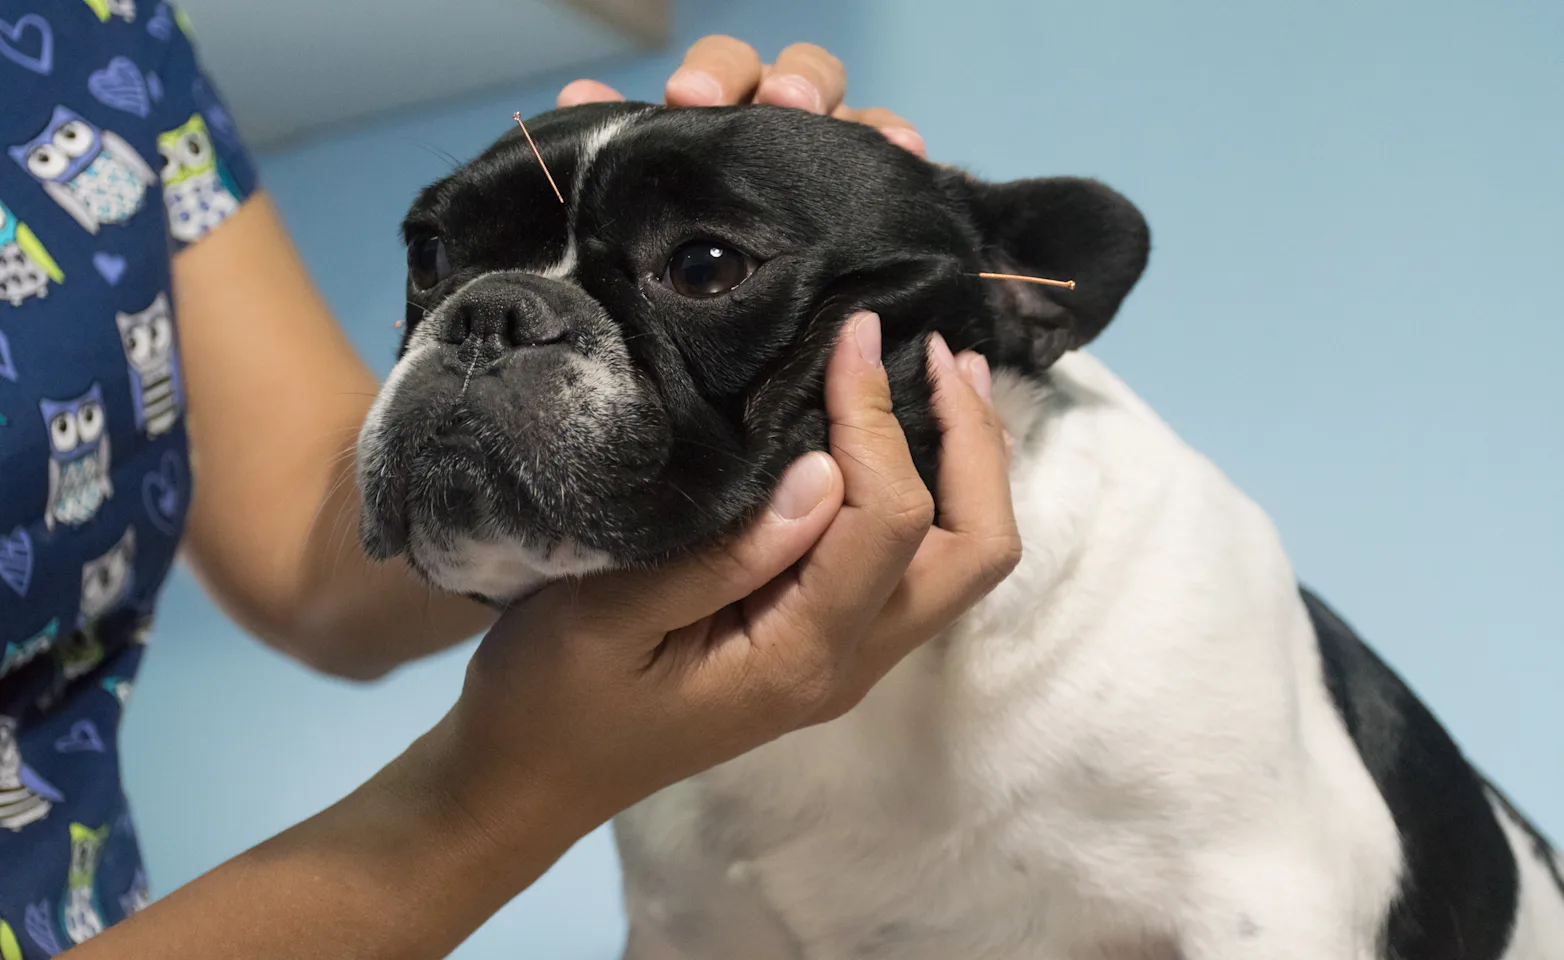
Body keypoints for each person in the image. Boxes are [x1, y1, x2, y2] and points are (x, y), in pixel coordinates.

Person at [0, 9, 1016, 957]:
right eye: (445, 261)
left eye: (701, 266)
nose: (484, 327)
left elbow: (310, 565)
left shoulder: (110, 31)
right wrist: (491, 798)